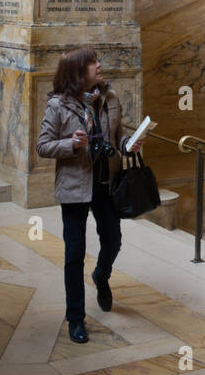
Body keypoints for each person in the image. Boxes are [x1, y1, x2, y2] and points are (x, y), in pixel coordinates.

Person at [37, 48, 142, 344]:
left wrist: (127, 143)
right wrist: (70, 143)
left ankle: (101, 276)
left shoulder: (109, 97)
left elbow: (117, 134)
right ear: (78, 72)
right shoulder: (59, 105)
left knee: (113, 240)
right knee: (74, 253)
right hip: (75, 186)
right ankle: (76, 319)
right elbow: (43, 146)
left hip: (105, 183)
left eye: (97, 61)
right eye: (93, 62)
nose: (99, 65)